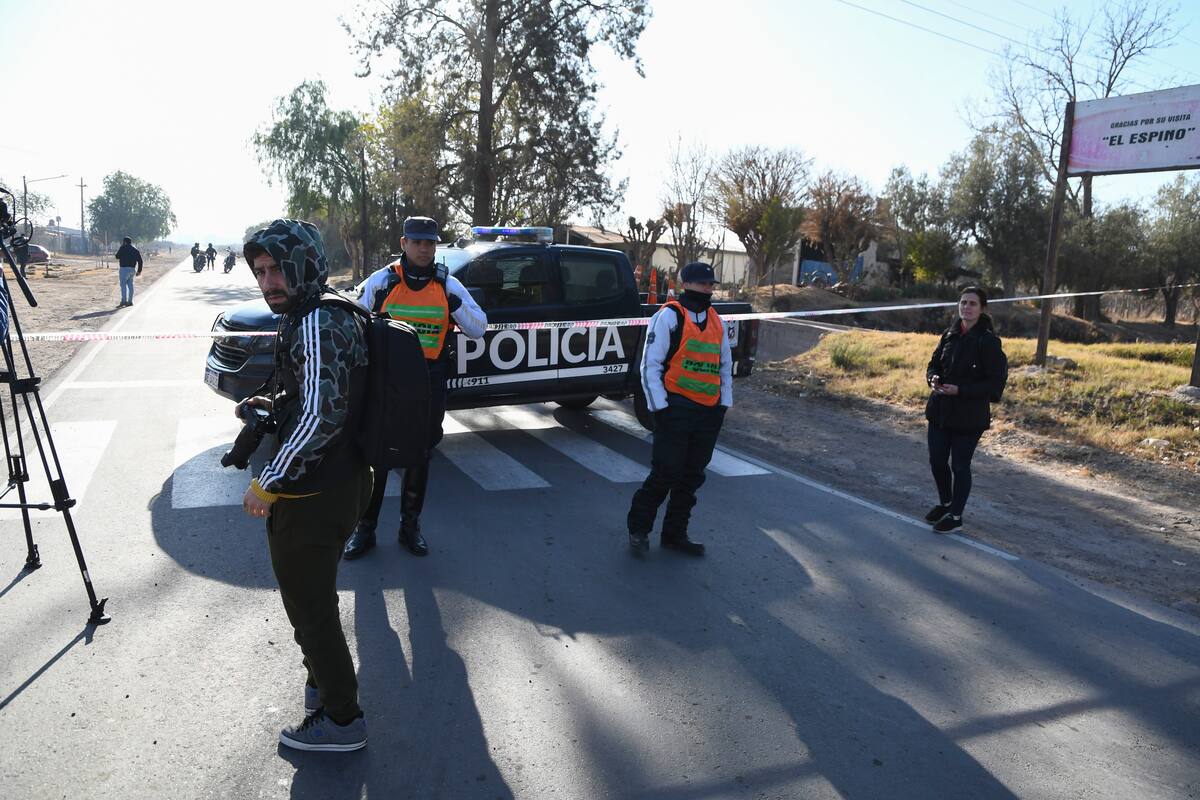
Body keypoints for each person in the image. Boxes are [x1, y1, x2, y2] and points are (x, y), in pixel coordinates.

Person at [239, 219, 372, 752]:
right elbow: (320, 395)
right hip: (342, 482)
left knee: (311, 611)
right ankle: (322, 684)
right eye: (260, 271)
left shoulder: (316, 321)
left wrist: (267, 482)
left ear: (305, 265)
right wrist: (272, 404)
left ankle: (342, 720)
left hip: (313, 495)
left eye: (277, 269)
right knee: (313, 600)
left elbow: (321, 417)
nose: (268, 281)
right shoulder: (327, 311)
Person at [343, 215, 487, 560]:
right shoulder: (383, 281)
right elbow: (351, 322)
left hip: (428, 381)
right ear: (404, 244)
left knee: (419, 454)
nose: (424, 248)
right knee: (377, 454)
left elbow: (479, 327)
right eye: (417, 242)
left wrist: (455, 305)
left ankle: (410, 528)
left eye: (430, 243)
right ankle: (365, 529)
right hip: (386, 380)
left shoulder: (449, 285)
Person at [626, 261, 732, 557]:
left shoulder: (716, 320)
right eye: (702, 283)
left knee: (691, 478)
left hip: (708, 412)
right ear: (686, 284)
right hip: (676, 408)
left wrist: (723, 404)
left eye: (710, 284)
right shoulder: (669, 316)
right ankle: (638, 530)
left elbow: (724, 366)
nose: (707, 288)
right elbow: (650, 366)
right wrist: (659, 408)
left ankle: (675, 534)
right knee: (665, 473)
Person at [924, 286, 1008, 533]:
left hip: (969, 417)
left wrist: (961, 390)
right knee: (937, 461)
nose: (966, 307)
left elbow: (995, 383)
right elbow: (933, 364)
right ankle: (945, 503)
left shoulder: (988, 342)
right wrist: (933, 379)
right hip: (940, 411)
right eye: (963, 302)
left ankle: (956, 516)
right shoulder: (949, 335)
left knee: (960, 466)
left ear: (982, 309)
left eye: (972, 303)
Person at [113, 236, 142, 307]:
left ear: (124, 242)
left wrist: (121, 247)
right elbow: (140, 261)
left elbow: (117, 256)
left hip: (124, 269)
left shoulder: (123, 248)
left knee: (123, 285)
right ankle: (130, 301)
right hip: (132, 269)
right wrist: (139, 271)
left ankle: (123, 301)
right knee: (130, 285)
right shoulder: (135, 250)